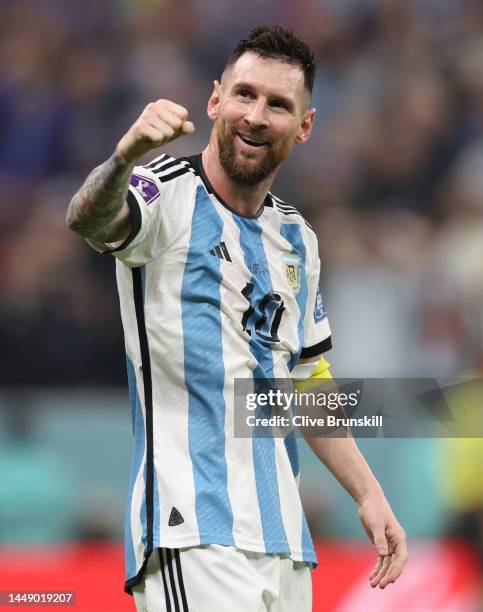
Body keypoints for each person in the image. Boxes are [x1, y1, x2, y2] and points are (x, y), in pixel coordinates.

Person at [66, 25, 407, 612]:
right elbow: (90, 220)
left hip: (284, 542)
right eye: (245, 94)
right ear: (215, 99)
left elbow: (304, 382)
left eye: (278, 104)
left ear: (304, 127)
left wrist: (368, 493)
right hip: (190, 531)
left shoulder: (299, 239)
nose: (256, 115)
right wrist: (125, 155)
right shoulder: (164, 192)